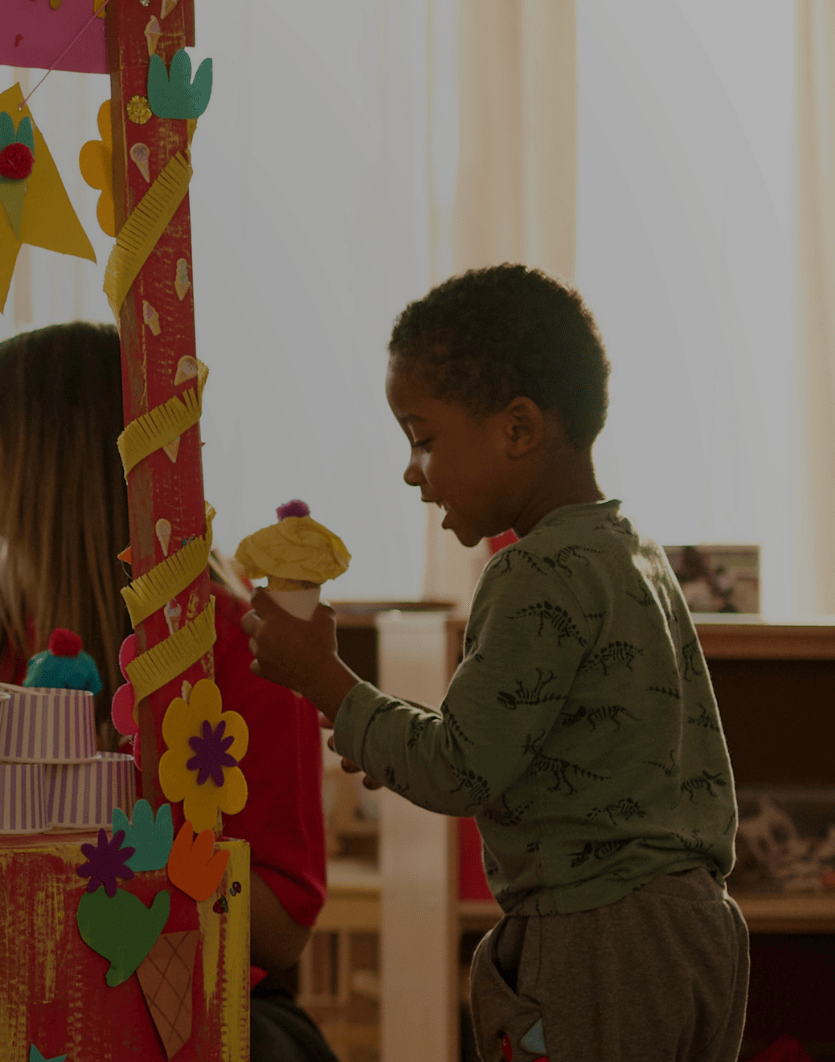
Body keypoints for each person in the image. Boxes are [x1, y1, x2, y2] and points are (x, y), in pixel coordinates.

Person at [245, 264, 746, 1061]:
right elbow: (511, 744)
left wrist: (324, 679)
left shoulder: (533, 572)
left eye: (423, 438)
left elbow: (459, 768)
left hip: (597, 935)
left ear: (517, 429)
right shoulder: (633, 553)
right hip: (695, 928)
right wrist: (383, 736)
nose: (412, 472)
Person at [0, 322, 336, 1061]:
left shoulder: (230, 639)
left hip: (187, 1007)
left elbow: (279, 927)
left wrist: (113, 832)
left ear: (57, 438)